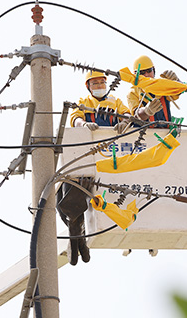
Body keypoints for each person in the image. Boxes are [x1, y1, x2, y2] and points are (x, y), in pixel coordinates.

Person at [58, 71, 131, 265]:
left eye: (102, 82)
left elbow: (126, 114)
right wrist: (83, 123)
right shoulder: (84, 101)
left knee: (74, 199)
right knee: (65, 201)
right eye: (95, 83)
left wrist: (124, 122)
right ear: (89, 86)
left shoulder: (115, 102)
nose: (99, 86)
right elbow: (75, 117)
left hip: (108, 157)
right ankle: (78, 239)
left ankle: (77, 239)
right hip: (87, 155)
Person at [127, 55, 180, 127]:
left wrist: (177, 82)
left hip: (165, 133)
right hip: (145, 134)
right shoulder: (133, 93)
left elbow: (178, 92)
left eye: (149, 71)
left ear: (154, 70)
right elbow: (137, 115)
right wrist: (146, 111)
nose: (146, 75)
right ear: (135, 74)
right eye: (142, 72)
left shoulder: (162, 86)